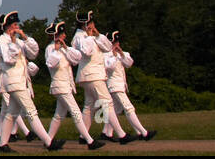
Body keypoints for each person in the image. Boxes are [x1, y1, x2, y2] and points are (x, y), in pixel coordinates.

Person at [0, 11, 62, 152]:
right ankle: (49, 143)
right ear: (8, 27)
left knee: (11, 114)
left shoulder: (18, 41)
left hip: (20, 81)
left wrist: (25, 37)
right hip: (13, 81)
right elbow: (9, 59)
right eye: (14, 25)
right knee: (31, 112)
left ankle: (2, 144)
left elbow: (33, 53)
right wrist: (13, 42)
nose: (17, 27)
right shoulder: (2, 41)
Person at [72, 11, 132, 144]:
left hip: (93, 75)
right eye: (91, 23)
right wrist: (89, 36)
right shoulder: (79, 37)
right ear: (85, 24)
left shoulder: (92, 36)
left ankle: (83, 136)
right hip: (91, 75)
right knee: (107, 102)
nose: (93, 25)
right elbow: (87, 52)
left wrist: (97, 35)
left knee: (89, 106)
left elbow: (108, 47)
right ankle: (122, 135)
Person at [44, 21, 103, 149]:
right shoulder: (50, 48)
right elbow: (50, 64)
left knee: (59, 115)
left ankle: (48, 140)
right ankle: (90, 141)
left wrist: (65, 48)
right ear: (57, 35)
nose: (65, 35)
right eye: (62, 34)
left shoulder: (63, 48)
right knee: (76, 112)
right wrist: (56, 50)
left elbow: (76, 58)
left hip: (66, 86)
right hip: (59, 86)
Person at [103, 31, 157, 141]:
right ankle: (143, 133)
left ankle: (107, 132)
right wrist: (114, 55)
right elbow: (110, 67)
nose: (116, 44)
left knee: (115, 110)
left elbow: (129, 63)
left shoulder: (122, 54)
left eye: (117, 42)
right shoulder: (105, 55)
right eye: (114, 42)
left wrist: (121, 54)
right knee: (129, 108)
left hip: (120, 86)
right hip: (114, 86)